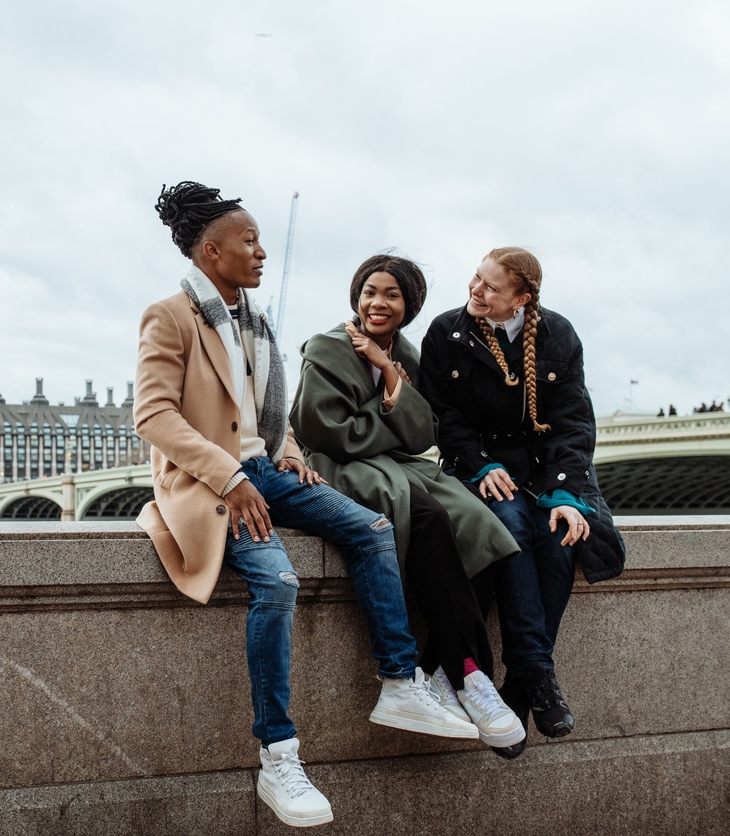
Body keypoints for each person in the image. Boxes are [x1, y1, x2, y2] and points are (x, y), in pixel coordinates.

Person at [135, 182, 476, 829]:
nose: (262, 253)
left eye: (262, 241)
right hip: (212, 485)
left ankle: (400, 684)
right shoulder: (169, 315)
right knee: (279, 582)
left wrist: (287, 447)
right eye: (249, 241)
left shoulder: (256, 320)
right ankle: (279, 755)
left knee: (373, 528)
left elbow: (262, 412)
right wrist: (230, 476)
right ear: (211, 250)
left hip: (266, 470)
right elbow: (154, 416)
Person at [289, 254, 526, 756]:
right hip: (340, 468)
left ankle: (444, 668)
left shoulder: (407, 356)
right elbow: (324, 431)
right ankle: (470, 674)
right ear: (356, 295)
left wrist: (387, 373)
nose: (377, 303)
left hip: (396, 464)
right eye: (370, 291)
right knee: (428, 517)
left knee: (481, 527)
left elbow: (423, 434)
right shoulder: (327, 349)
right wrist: (391, 410)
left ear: (409, 305)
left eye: (392, 295)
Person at [418, 246, 625, 757]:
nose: (475, 291)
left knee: (560, 533)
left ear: (521, 299)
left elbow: (574, 421)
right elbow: (442, 415)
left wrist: (565, 494)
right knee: (509, 522)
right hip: (482, 467)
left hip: (544, 469)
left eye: (490, 287)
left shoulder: (557, 335)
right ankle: (536, 676)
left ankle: (526, 675)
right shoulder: (447, 332)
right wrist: (479, 463)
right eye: (475, 278)